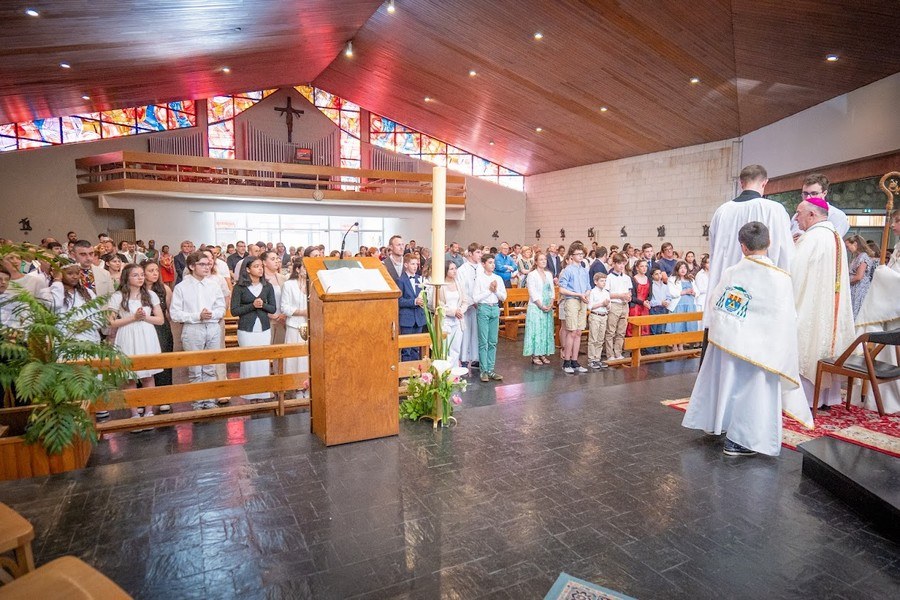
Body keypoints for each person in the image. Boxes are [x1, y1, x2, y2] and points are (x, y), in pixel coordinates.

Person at [682, 221, 812, 456]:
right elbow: (787, 318)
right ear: (769, 243)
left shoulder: (732, 273)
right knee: (756, 392)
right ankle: (744, 440)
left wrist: (734, 331)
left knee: (728, 384)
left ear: (742, 246)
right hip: (763, 351)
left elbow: (717, 305)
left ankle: (722, 425)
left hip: (731, 344)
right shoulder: (781, 278)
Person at [791, 196, 855, 410]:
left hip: (811, 305)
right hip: (827, 305)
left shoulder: (812, 238)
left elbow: (794, 272)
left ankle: (805, 400)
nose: (796, 218)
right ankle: (825, 398)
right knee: (825, 344)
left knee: (807, 343)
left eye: (799, 213)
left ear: (812, 214)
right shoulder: (835, 235)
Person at [852, 208, 900, 413]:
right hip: (889, 307)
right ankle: (882, 395)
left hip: (894, 305)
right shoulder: (897, 246)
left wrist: (884, 274)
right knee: (886, 350)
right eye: (893, 221)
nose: (893, 225)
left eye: (897, 221)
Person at [107, 264, 164, 424]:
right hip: (127, 334)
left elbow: (160, 320)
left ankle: (148, 410)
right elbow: (111, 322)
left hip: (146, 333)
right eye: (135, 275)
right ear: (127, 277)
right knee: (129, 376)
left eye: (141, 275)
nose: (140, 278)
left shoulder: (150, 294)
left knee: (148, 374)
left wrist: (144, 317)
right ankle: (134, 412)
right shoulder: (118, 296)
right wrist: (133, 317)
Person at [170, 251, 226, 408]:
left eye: (208, 264)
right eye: (202, 264)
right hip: (193, 328)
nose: (206, 267)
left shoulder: (213, 284)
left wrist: (212, 314)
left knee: (210, 367)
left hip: (212, 326)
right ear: (191, 266)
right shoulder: (182, 287)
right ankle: (197, 401)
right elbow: (175, 314)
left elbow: (221, 307)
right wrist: (197, 316)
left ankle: (210, 400)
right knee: (195, 368)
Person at [231, 257, 277, 401]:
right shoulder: (239, 288)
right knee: (249, 360)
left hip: (264, 328)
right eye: (256, 266)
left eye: (261, 266)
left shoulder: (267, 286)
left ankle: (263, 392)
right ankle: (249, 392)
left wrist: (262, 305)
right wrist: (252, 306)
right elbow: (234, 311)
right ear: (247, 269)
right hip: (246, 329)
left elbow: (273, 308)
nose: (260, 269)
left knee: (263, 360)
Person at [141, 260, 174, 394]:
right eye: (151, 271)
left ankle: (164, 395)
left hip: (161, 328)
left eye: (156, 270)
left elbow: (169, 311)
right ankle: (145, 395)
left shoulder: (164, 289)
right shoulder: (137, 290)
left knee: (163, 360)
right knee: (144, 361)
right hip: (143, 327)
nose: (155, 273)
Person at [557, 242, 590, 374]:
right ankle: (567, 361)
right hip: (572, 300)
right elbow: (562, 289)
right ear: (571, 255)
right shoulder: (568, 270)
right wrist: (578, 294)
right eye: (578, 254)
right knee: (571, 331)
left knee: (579, 332)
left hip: (582, 300)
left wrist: (586, 294)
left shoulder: (584, 270)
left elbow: (588, 287)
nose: (581, 256)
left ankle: (575, 361)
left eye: (582, 254)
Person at [473, 253, 506, 382]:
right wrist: (489, 290)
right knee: (483, 341)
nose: (492, 265)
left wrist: (495, 290)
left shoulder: (498, 278)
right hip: (484, 308)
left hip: (495, 308)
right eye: (490, 262)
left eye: (493, 263)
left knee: (493, 341)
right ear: (483, 264)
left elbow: (504, 297)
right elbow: (475, 298)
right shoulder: (479, 279)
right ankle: (484, 370)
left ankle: (491, 369)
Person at [281, 257, 310, 397]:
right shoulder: (289, 285)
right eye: (304, 267)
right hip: (294, 325)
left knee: (307, 358)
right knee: (295, 357)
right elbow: (284, 308)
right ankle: (296, 387)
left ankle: (308, 387)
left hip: (311, 325)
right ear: (297, 269)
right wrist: (302, 312)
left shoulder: (313, 284)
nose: (307, 270)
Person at [790, 173, 850, 239]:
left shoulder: (837, 216)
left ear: (824, 193)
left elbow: (830, 241)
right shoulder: (797, 216)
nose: (808, 198)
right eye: (805, 193)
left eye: (814, 193)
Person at [432, 261, 467, 368]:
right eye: (451, 269)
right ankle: (445, 372)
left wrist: (460, 311)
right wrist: (453, 312)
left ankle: (454, 372)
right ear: (446, 270)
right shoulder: (440, 285)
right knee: (445, 348)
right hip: (445, 320)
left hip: (458, 320)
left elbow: (465, 301)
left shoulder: (459, 284)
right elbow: (436, 304)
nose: (455, 271)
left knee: (456, 348)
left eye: (455, 268)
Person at [523, 252, 555, 366]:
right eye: (541, 259)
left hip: (547, 305)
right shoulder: (532, 275)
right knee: (536, 330)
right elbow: (532, 292)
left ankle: (543, 353)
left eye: (545, 259)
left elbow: (552, 290)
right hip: (536, 306)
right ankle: (535, 355)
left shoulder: (549, 274)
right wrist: (540, 305)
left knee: (545, 330)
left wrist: (551, 302)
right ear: (536, 262)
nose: (543, 261)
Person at [457, 243, 483, 373]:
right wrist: (472, 301)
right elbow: (462, 288)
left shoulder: (482, 268)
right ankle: (464, 358)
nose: (480, 255)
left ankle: (476, 357)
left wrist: (480, 300)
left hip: (480, 305)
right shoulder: (462, 269)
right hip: (467, 305)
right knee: (466, 331)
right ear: (470, 254)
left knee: (477, 332)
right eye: (477, 252)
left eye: (480, 252)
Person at [398, 253, 427, 361]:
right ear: (406, 265)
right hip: (407, 318)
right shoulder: (401, 280)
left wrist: (424, 301)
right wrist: (414, 301)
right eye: (412, 264)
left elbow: (424, 295)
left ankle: (416, 369)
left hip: (419, 317)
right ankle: (407, 370)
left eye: (416, 264)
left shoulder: (420, 279)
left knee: (416, 348)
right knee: (406, 349)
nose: (415, 266)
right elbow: (399, 300)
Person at [604, 253, 632, 361]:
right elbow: (606, 294)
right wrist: (620, 296)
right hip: (614, 304)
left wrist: (628, 296)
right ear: (614, 264)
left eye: (623, 264)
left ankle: (618, 352)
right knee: (611, 331)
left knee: (621, 331)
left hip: (624, 305)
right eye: (619, 263)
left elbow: (629, 291)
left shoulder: (627, 278)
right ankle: (610, 354)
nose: (621, 266)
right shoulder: (609, 277)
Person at [844, 234, 875, 319]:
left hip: (859, 289)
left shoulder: (863, 256)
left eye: (848, 246)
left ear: (855, 243)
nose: (847, 249)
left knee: (856, 314)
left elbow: (859, 277)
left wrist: (845, 282)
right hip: (854, 288)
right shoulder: (856, 257)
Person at [586, 271, 610, 369]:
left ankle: (597, 358)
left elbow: (609, 307)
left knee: (600, 339)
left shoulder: (606, 292)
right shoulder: (592, 292)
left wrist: (607, 305)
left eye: (605, 281)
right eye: (601, 281)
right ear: (596, 282)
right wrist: (602, 304)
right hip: (595, 315)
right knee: (593, 338)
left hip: (604, 315)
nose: (604, 283)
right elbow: (590, 307)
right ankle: (591, 359)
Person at [627, 259, 651, 338]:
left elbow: (650, 294)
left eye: (646, 266)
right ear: (637, 268)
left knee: (644, 328)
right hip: (635, 307)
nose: (644, 268)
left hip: (645, 306)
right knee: (634, 329)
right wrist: (642, 302)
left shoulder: (648, 279)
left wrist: (648, 300)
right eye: (642, 266)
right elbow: (632, 297)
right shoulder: (633, 279)